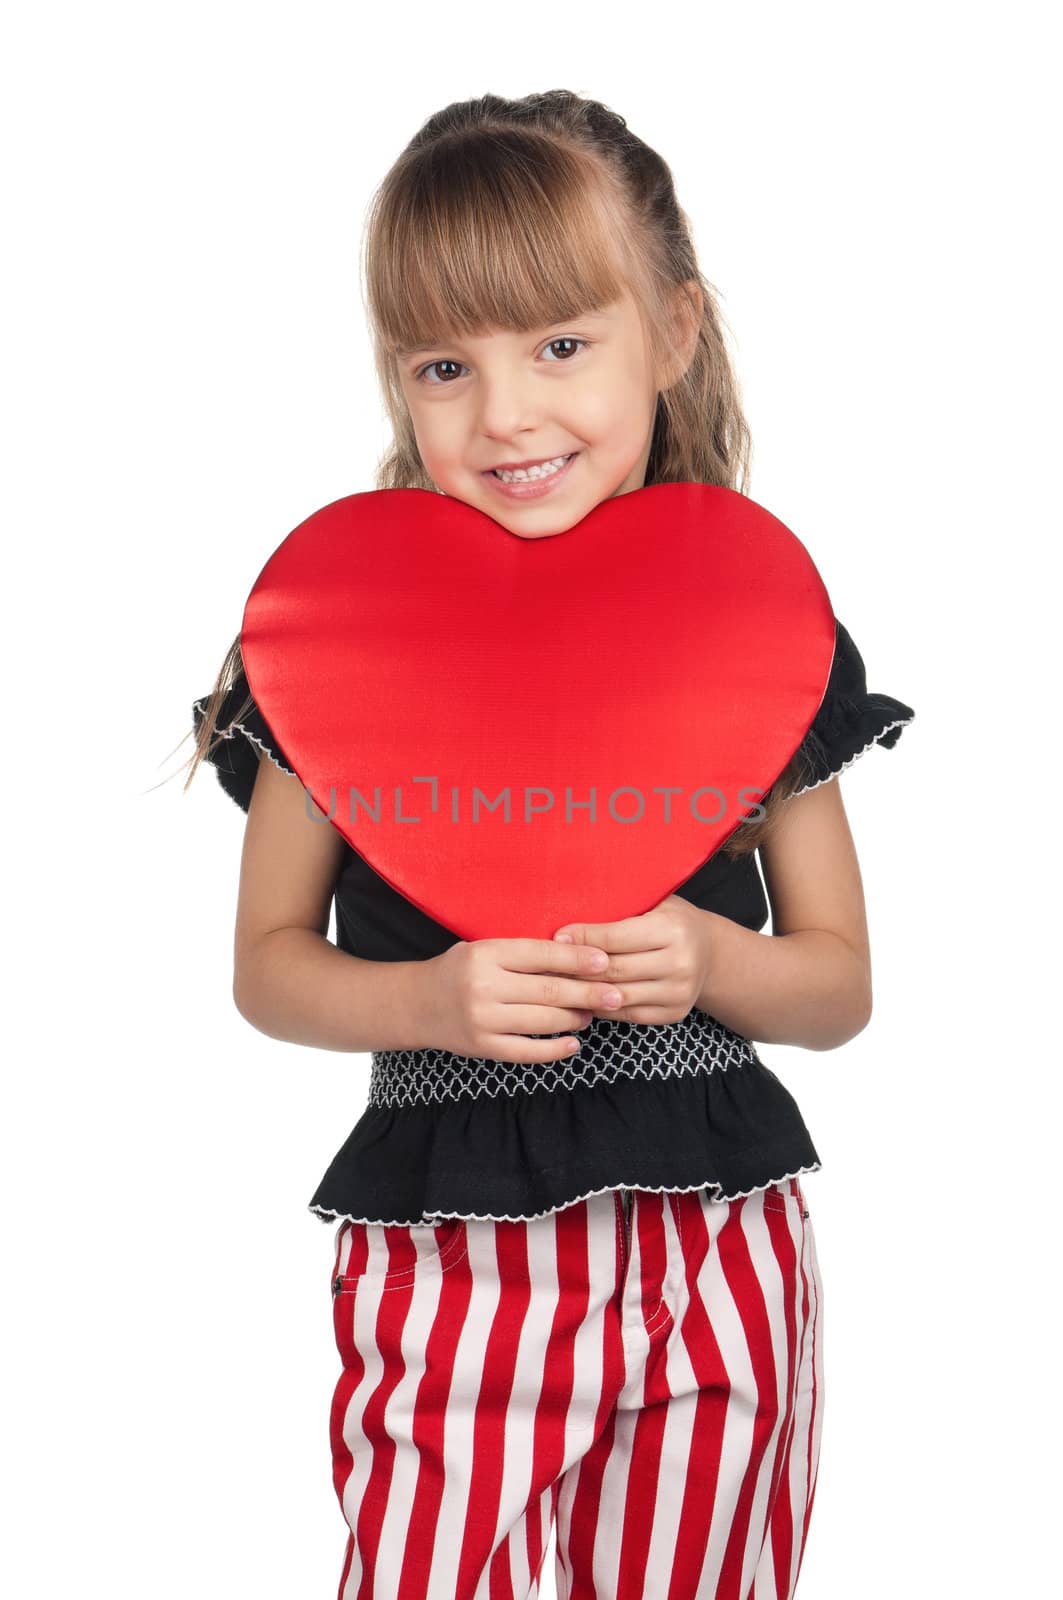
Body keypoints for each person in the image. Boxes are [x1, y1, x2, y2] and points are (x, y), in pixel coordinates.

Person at [183, 90, 915, 1600]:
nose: (505, 413)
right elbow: (267, 968)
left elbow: (840, 988)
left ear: (676, 332)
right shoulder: (338, 647)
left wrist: (716, 959)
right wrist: (425, 1001)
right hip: (448, 1261)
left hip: (716, 1245)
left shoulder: (755, 630)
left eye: (560, 345)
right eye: (445, 365)